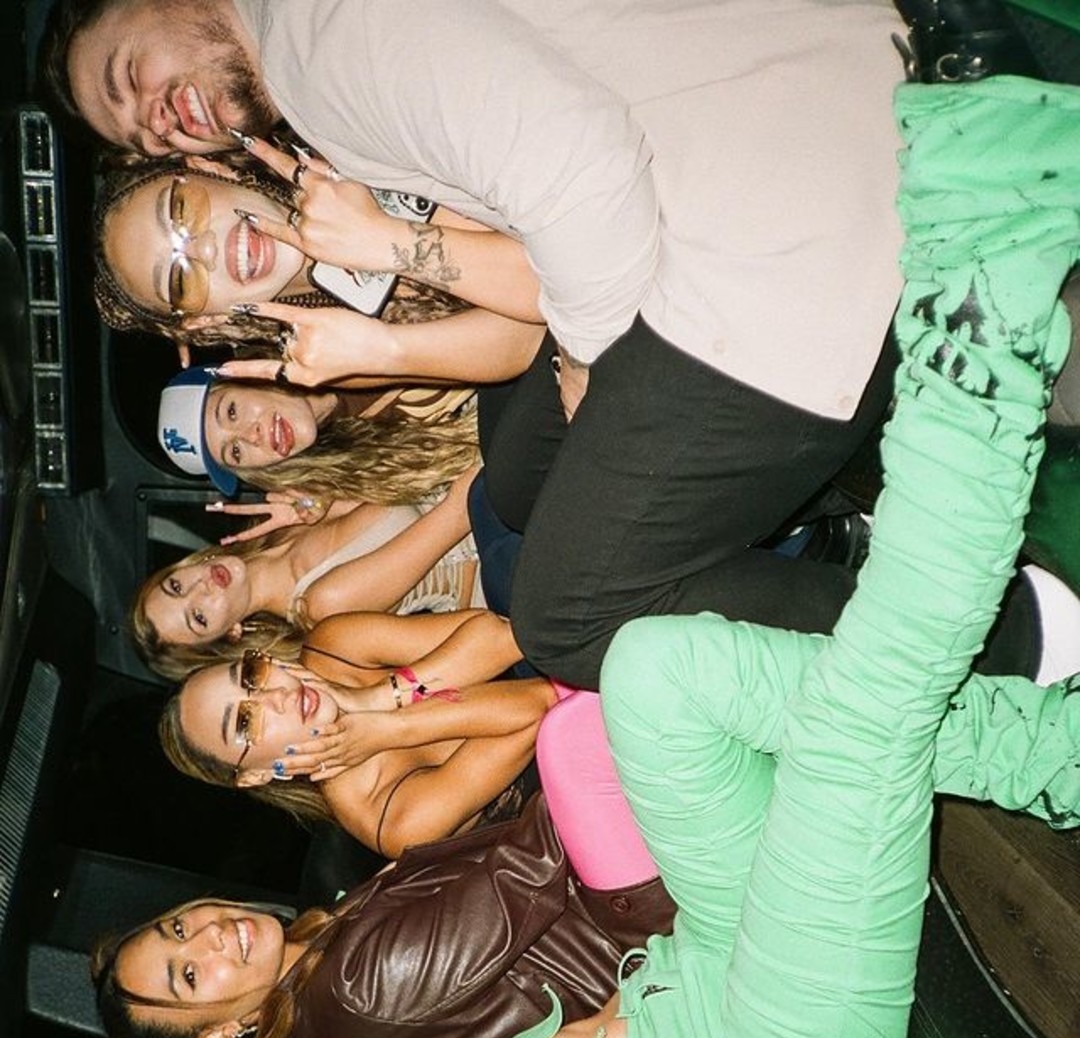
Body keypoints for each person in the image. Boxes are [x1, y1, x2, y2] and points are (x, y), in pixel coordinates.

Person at [91, 71, 1080, 1038]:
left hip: (684, 960)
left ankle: (1051, 751)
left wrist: (265, 966)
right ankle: (989, 275)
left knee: (662, 665)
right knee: (840, 724)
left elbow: (304, 1028)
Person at [49, 0, 916, 686]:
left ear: (203, 177)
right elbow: (532, 303)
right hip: (744, 165)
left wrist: (586, 370)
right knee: (518, 482)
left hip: (788, 206)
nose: (159, 119)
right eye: (177, 276)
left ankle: (959, 643)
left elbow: (578, 215)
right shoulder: (312, 135)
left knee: (563, 619)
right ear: (203, 322)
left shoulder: (319, 55)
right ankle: (842, 495)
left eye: (129, 76)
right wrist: (377, 350)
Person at [91, 787, 675, 1038]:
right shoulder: (353, 992)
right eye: (190, 976)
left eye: (177, 929)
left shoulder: (320, 953)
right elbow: (526, 873)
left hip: (607, 890)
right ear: (220, 1035)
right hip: (632, 917)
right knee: (583, 714)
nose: (208, 936)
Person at [93, 151, 544, 385]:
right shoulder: (320, 350)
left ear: (209, 169)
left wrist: (383, 239)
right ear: (205, 319)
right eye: (179, 279)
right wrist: (386, 349)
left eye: (182, 209)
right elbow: (526, 343)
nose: (205, 249)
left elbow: (551, 272)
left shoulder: (342, 153)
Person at [159, 610, 556, 856]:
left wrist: (374, 699)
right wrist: (389, 729)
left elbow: (506, 635)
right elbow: (538, 704)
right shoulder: (385, 817)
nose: (273, 696)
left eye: (251, 675)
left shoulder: (333, 646)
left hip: (566, 656)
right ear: (256, 774)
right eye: (245, 722)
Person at [131, 463, 484, 680]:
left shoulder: (277, 522)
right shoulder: (322, 605)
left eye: (176, 586)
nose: (200, 590)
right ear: (232, 634)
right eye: (198, 617)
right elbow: (456, 515)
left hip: (475, 485)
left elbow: (401, 470)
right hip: (492, 548)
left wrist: (321, 496)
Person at [156, 365, 477, 512]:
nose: (251, 436)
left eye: (231, 412)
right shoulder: (357, 467)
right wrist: (322, 502)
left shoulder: (334, 331)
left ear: (245, 377)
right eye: (235, 452)